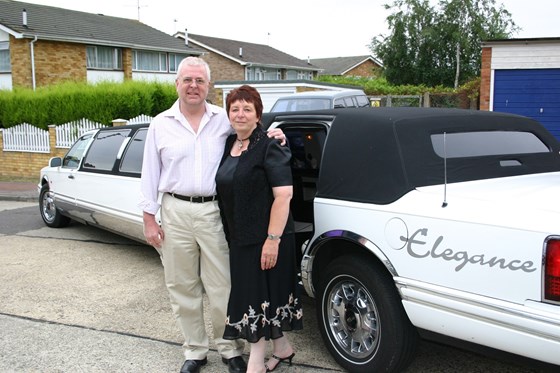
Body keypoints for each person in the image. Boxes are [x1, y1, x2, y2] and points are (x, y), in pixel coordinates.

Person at [139, 57, 284, 373]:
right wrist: (149, 218)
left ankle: (230, 348)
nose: (193, 86)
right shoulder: (160, 124)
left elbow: (255, 127)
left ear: (208, 86)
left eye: (199, 81)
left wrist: (277, 133)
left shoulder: (223, 118)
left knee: (223, 285)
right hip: (174, 210)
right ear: (177, 83)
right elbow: (149, 173)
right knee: (182, 285)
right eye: (187, 80)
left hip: (214, 212)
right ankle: (195, 350)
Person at [216, 85, 303, 373]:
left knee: (258, 299)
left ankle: (255, 364)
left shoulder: (269, 145)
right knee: (258, 295)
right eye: (235, 108)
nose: (240, 114)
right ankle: (283, 349)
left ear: (258, 114)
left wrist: (272, 240)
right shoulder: (229, 144)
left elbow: (284, 195)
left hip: (268, 237)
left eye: (247, 109)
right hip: (240, 238)